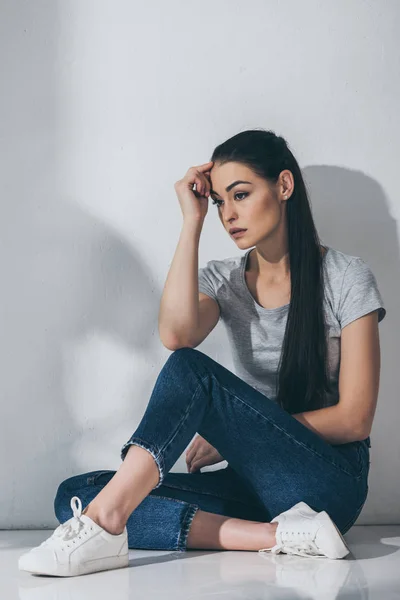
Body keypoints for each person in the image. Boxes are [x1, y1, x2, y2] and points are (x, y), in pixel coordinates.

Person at [19, 129, 386, 577]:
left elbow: (355, 418)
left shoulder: (346, 277)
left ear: (284, 186)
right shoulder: (224, 279)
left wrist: (239, 429)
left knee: (191, 373)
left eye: (241, 195)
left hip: (329, 483)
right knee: (77, 493)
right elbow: (176, 333)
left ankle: (104, 524)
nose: (228, 214)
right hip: (257, 486)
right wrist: (190, 222)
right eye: (218, 203)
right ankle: (283, 537)